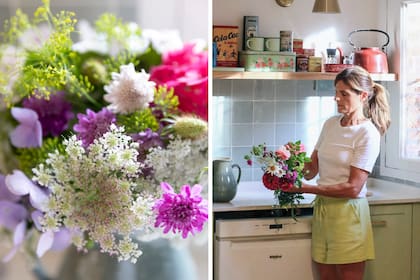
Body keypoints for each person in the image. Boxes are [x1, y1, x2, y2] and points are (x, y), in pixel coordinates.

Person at [286, 65, 391, 280]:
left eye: (344, 93)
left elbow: (353, 188)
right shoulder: (330, 124)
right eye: (336, 92)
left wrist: (305, 189)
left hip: (349, 215)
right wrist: (291, 160)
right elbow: (310, 171)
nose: (336, 98)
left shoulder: (367, 133)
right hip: (324, 212)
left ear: (362, 96)